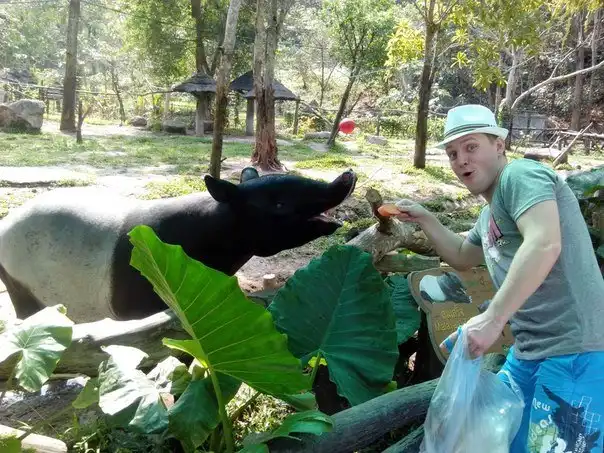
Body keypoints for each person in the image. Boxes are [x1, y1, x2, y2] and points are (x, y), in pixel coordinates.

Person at [394, 104, 604, 453]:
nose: (461, 160)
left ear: (499, 145)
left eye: (471, 146)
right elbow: (462, 256)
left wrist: (491, 319)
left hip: (575, 351)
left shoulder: (520, 175)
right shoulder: (488, 215)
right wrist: (425, 218)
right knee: (501, 442)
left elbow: (544, 242)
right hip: (528, 353)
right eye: (452, 153)